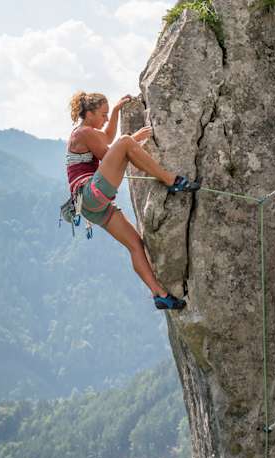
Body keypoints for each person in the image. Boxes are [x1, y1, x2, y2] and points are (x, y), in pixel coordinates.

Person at [65, 91, 199, 310]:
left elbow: (107, 138)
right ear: (89, 113)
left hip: (91, 206)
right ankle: (171, 180)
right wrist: (134, 138)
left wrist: (117, 111)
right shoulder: (84, 133)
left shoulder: (84, 132)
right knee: (126, 142)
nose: (106, 119)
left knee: (136, 244)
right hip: (90, 194)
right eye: (104, 114)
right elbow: (108, 151)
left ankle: (160, 295)